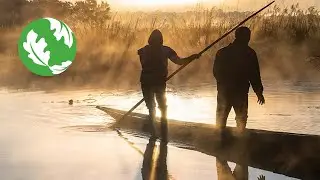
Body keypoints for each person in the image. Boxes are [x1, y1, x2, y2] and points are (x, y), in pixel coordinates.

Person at [138, 29, 201, 138]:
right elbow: (179, 61)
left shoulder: (143, 51)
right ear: (161, 40)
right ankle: (162, 131)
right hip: (157, 82)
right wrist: (191, 57)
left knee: (152, 106)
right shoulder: (165, 50)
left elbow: (145, 64)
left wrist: (192, 57)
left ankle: (155, 132)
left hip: (148, 81)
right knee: (162, 107)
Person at [213, 26, 265, 132]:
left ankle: (219, 138)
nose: (248, 38)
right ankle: (240, 138)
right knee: (241, 119)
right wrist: (259, 92)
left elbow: (216, 72)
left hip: (225, 91)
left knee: (221, 118)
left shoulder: (222, 52)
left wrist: (223, 83)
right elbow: (254, 75)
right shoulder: (249, 53)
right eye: (247, 36)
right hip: (239, 91)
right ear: (246, 38)